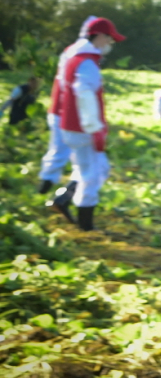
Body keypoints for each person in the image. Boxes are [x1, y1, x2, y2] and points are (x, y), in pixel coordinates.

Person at [49, 17, 125, 231]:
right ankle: (85, 226)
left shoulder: (74, 57)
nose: (111, 43)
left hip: (71, 125)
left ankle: (63, 199)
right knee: (91, 174)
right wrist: (94, 128)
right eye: (109, 38)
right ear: (99, 36)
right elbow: (84, 94)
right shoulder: (87, 63)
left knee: (98, 168)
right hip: (81, 128)